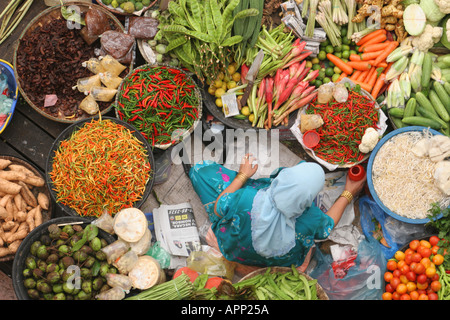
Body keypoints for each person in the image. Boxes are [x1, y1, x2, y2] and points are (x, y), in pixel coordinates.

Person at [189, 154, 366, 275]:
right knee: (307, 241)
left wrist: (242, 175)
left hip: (235, 248)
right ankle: (295, 263)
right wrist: (348, 193)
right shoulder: (310, 218)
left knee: (199, 171)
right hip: (282, 261)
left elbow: (219, 208)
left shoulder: (247, 198)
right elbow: (328, 225)